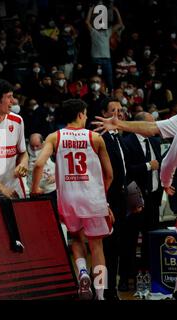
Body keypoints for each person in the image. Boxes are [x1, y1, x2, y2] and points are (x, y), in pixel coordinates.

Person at [31, 99, 114, 300]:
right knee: (96, 246)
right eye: (85, 114)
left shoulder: (54, 137)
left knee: (76, 239)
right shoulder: (95, 138)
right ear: (79, 115)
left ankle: (83, 273)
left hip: (68, 199)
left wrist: (34, 188)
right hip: (93, 199)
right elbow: (109, 174)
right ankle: (100, 295)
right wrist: (103, 200)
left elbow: (39, 164)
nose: (86, 117)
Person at [93, 106, 177, 300]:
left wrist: (165, 181)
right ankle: (112, 286)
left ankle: (111, 289)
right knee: (124, 244)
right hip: (126, 199)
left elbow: (168, 160)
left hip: (150, 198)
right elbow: (125, 173)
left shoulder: (156, 138)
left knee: (138, 244)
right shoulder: (120, 141)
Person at [119, 112, 162, 291]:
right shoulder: (126, 141)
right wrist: (147, 166)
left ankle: (146, 274)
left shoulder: (155, 142)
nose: (154, 128)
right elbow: (125, 170)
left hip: (153, 197)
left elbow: (161, 165)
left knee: (149, 239)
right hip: (134, 196)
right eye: (151, 124)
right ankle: (125, 277)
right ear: (141, 125)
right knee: (129, 240)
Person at [99, 98, 130, 300]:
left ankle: (112, 289)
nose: (117, 113)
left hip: (122, 199)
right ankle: (104, 291)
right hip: (106, 200)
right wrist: (104, 201)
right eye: (113, 110)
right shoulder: (99, 137)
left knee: (117, 247)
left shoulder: (119, 137)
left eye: (120, 110)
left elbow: (124, 171)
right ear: (104, 114)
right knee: (106, 248)